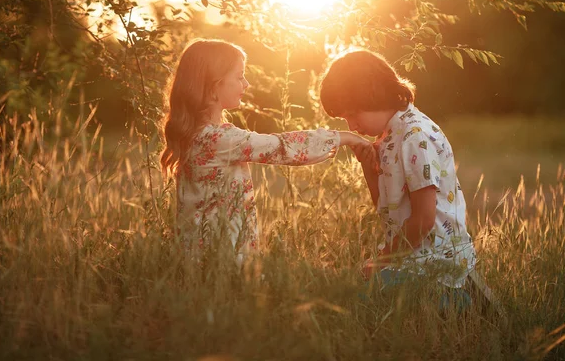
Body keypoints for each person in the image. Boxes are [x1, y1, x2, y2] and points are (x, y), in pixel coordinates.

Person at [160, 39, 368, 267]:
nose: (246, 84)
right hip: (220, 260)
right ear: (213, 86)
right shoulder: (216, 139)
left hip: (203, 258)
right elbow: (282, 147)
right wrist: (344, 137)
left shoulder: (200, 135)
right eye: (239, 77)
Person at [319, 49, 477, 293]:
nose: (352, 126)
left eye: (352, 114)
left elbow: (423, 221)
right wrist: (370, 169)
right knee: (347, 285)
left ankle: (455, 301)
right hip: (413, 258)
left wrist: (381, 261)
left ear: (372, 97)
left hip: (437, 265)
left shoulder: (415, 136)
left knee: (355, 295)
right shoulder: (389, 135)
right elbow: (388, 210)